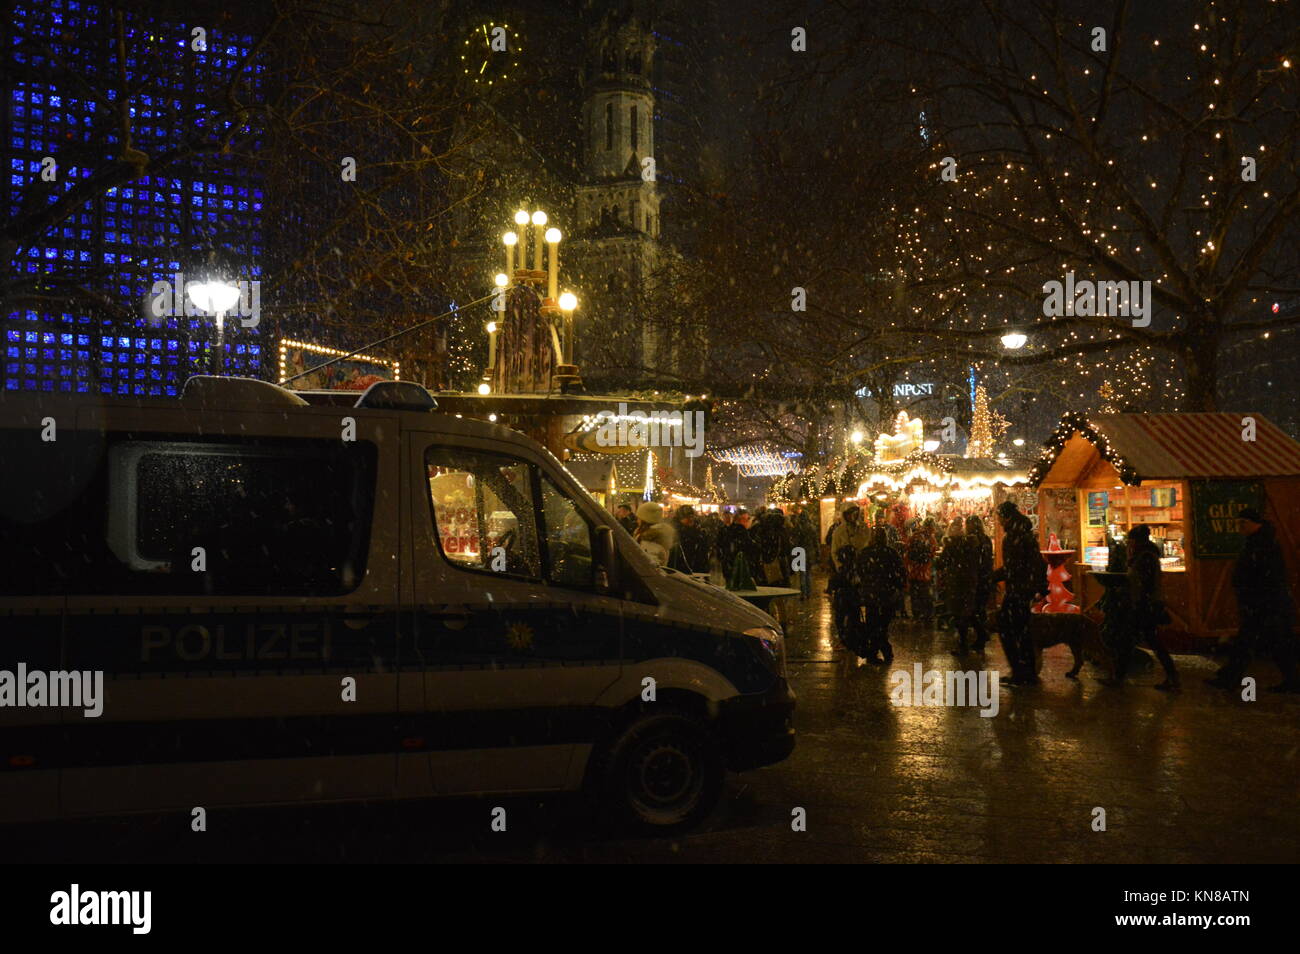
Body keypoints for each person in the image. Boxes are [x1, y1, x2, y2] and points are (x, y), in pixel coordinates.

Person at [1209, 507, 1300, 692]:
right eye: (1238, 523)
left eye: (1243, 523)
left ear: (1255, 523)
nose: (1240, 526)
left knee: (1257, 642)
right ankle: (1231, 677)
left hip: (1263, 603)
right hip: (1263, 603)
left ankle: (1231, 677)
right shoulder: (1258, 541)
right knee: (1260, 642)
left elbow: (1265, 574)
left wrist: (1253, 595)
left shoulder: (1262, 544)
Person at [991, 501, 1047, 686]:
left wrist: (992, 577)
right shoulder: (1026, 534)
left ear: (1006, 517)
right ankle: (1026, 670)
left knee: (1008, 628)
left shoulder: (1014, 537)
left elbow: (1013, 568)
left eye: (999, 517)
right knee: (1022, 630)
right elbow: (1035, 562)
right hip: (1025, 588)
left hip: (1018, 589)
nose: (998, 521)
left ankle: (1020, 671)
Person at [1123, 524, 1179, 690]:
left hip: (1144, 606)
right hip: (1146, 604)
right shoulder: (1146, 554)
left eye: (1131, 540)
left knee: (1149, 641)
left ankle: (1172, 677)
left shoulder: (1145, 557)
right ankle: (1172, 676)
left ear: (1137, 541)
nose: (1129, 544)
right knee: (1146, 640)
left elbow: (1144, 584)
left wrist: (1139, 603)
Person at [855, 526, 906, 664]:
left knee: (873, 623)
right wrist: (898, 588)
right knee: (882, 625)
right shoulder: (891, 553)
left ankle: (877, 652)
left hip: (871, 595)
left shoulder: (865, 553)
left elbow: (860, 571)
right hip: (886, 595)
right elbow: (900, 573)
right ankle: (883, 651)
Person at [936, 518, 980, 654]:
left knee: (958, 612)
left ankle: (963, 644)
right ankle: (977, 637)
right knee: (967, 610)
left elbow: (941, 563)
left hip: (955, 582)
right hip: (969, 581)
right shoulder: (971, 544)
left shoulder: (951, 546)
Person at [964, 514, 993, 651]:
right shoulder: (985, 539)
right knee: (979, 609)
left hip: (976, 578)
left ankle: (982, 634)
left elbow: (972, 560)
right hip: (984, 578)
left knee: (973, 609)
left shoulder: (971, 540)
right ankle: (982, 635)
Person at [905, 518, 937, 626]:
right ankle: (927, 616)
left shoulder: (914, 536)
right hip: (924, 572)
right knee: (926, 595)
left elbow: (908, 550)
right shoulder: (930, 538)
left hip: (914, 571)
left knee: (915, 595)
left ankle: (917, 615)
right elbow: (933, 552)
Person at [669, 504, 711, 575]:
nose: (690, 519)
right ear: (680, 519)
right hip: (679, 573)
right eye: (687, 517)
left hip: (697, 571)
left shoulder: (699, 532)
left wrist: (704, 571)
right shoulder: (674, 533)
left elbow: (703, 553)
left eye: (692, 516)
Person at [755, 507, 791, 586]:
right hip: (779, 563)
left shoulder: (763, 530)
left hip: (767, 564)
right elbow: (787, 548)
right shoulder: (782, 531)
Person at [790, 504, 820, 599]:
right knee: (808, 573)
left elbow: (794, 541)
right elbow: (815, 541)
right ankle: (809, 592)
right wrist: (817, 552)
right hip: (809, 552)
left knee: (802, 573)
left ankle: (803, 593)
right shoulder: (812, 527)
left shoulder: (798, 527)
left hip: (800, 552)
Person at [634, 501, 676, 567]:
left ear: (645, 520)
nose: (637, 521)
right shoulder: (657, 537)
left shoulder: (650, 540)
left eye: (639, 518)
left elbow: (648, 567)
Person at [715, 509, 745, 578]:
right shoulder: (722, 529)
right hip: (726, 555)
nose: (727, 519)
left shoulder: (738, 528)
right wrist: (720, 554)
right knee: (727, 574)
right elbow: (718, 543)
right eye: (725, 517)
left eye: (728, 517)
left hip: (735, 555)